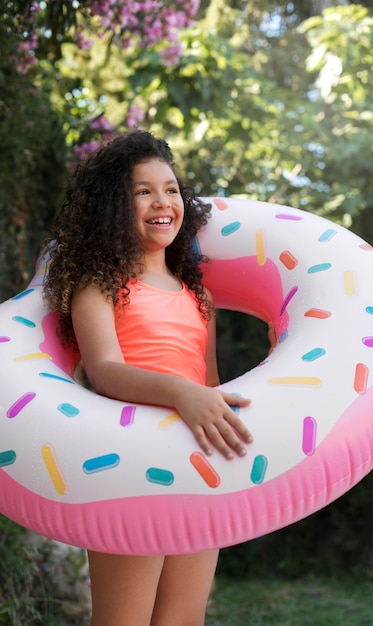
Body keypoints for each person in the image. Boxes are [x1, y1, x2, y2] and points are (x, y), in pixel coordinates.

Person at [43, 130, 253, 626]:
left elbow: (210, 384)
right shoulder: (101, 284)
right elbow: (105, 371)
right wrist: (181, 393)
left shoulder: (198, 297)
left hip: (196, 465)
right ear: (114, 205)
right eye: (143, 191)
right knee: (124, 620)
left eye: (172, 189)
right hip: (129, 464)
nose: (163, 202)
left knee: (184, 618)